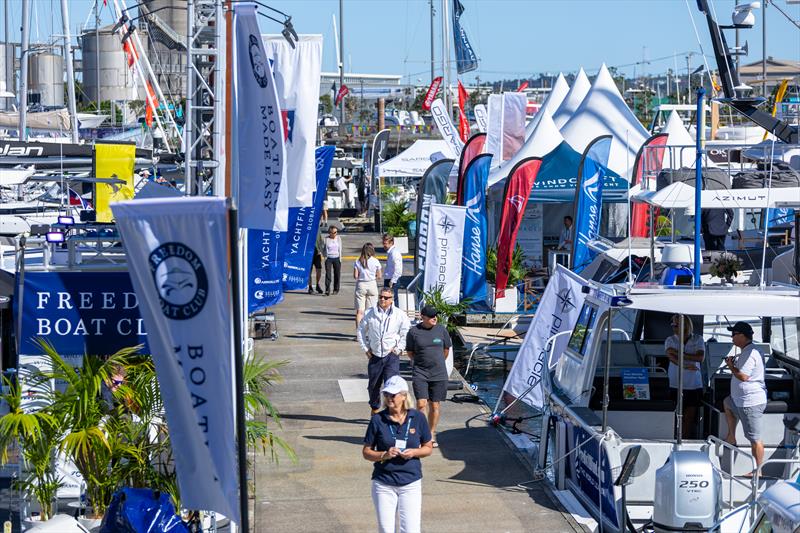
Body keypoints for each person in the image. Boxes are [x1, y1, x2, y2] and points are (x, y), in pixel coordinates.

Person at [362, 376, 433, 533]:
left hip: (410, 483)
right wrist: (384, 455)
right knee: (386, 530)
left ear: (404, 396)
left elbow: (428, 447)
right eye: (386, 394)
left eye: (393, 395)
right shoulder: (377, 420)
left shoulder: (418, 418)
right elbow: (366, 452)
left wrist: (414, 452)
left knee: (411, 529)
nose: (389, 398)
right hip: (384, 483)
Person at [357, 287, 410, 412]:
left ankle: (391, 411)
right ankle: (374, 409)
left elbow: (406, 333)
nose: (382, 299)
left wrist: (398, 349)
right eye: (381, 297)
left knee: (392, 385)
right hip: (375, 355)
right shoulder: (370, 313)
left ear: (391, 299)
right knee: (373, 386)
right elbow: (360, 330)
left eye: (386, 298)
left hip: (391, 355)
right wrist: (365, 348)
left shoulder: (399, 314)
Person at [723, 321, 767, 470]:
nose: (731, 338)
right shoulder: (750, 350)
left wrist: (730, 366)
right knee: (727, 403)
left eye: (733, 334)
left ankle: (758, 471)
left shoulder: (750, 353)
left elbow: (743, 376)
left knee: (755, 439)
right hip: (739, 400)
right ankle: (731, 435)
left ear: (742, 336)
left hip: (750, 402)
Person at [406, 305, 451, 448]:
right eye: (431, 316)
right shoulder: (414, 332)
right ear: (422, 317)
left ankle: (431, 434)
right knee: (421, 404)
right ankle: (421, 435)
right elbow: (410, 352)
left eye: (435, 316)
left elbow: (446, 350)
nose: (434, 318)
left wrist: (436, 363)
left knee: (435, 405)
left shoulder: (441, 330)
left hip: (439, 373)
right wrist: (420, 364)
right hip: (420, 372)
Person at [664, 314, 705, 439]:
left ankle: (685, 440)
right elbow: (671, 357)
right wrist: (686, 365)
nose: (673, 327)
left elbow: (700, 358)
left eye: (676, 325)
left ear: (685, 325)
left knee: (689, 417)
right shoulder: (670, 340)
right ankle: (673, 439)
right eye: (672, 325)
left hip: (694, 384)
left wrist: (678, 353)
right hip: (675, 383)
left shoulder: (698, 339)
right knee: (674, 415)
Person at [354, 243, 382, 327]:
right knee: (371, 311)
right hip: (372, 284)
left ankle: (359, 334)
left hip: (361, 285)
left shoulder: (358, 261)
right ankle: (370, 333)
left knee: (360, 311)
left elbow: (355, 276)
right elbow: (379, 276)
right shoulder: (375, 261)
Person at [324, 226, 342, 296]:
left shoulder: (339, 238)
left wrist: (340, 258)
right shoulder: (326, 239)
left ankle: (336, 289)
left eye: (336, 232)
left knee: (337, 274)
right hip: (329, 258)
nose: (335, 234)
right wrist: (324, 256)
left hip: (337, 258)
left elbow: (340, 249)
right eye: (333, 232)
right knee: (328, 274)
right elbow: (323, 248)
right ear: (330, 233)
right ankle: (327, 289)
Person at [308, 230, 325, 294]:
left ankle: (317, 285)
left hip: (317, 253)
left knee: (319, 269)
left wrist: (320, 250)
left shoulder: (318, 228)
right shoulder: (308, 226)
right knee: (309, 271)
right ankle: (310, 287)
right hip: (309, 253)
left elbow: (320, 240)